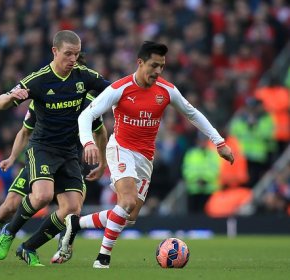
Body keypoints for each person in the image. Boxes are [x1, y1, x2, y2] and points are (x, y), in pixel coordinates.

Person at [60, 41, 234, 268]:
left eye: (162, 66)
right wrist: (88, 143)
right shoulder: (120, 89)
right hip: (121, 149)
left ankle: (76, 224)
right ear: (140, 63)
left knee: (129, 216)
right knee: (127, 200)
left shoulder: (167, 90)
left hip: (145, 157)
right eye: (154, 65)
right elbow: (85, 116)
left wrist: (219, 142)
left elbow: (192, 114)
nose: (158, 71)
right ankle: (103, 258)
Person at [0, 30, 110, 266]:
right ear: (55, 51)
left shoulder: (84, 76)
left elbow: (114, 91)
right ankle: (9, 231)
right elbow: (0, 103)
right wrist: (11, 96)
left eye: (76, 54)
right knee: (44, 196)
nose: (73, 59)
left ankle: (28, 247)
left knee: (72, 208)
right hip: (43, 147)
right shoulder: (38, 80)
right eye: (68, 54)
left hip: (69, 152)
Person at [0, 92, 106, 263]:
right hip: (41, 158)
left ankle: (28, 247)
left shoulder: (91, 104)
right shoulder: (45, 95)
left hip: (68, 162)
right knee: (9, 207)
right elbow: (25, 131)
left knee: (71, 209)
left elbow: (101, 132)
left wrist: (102, 162)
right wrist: (12, 157)